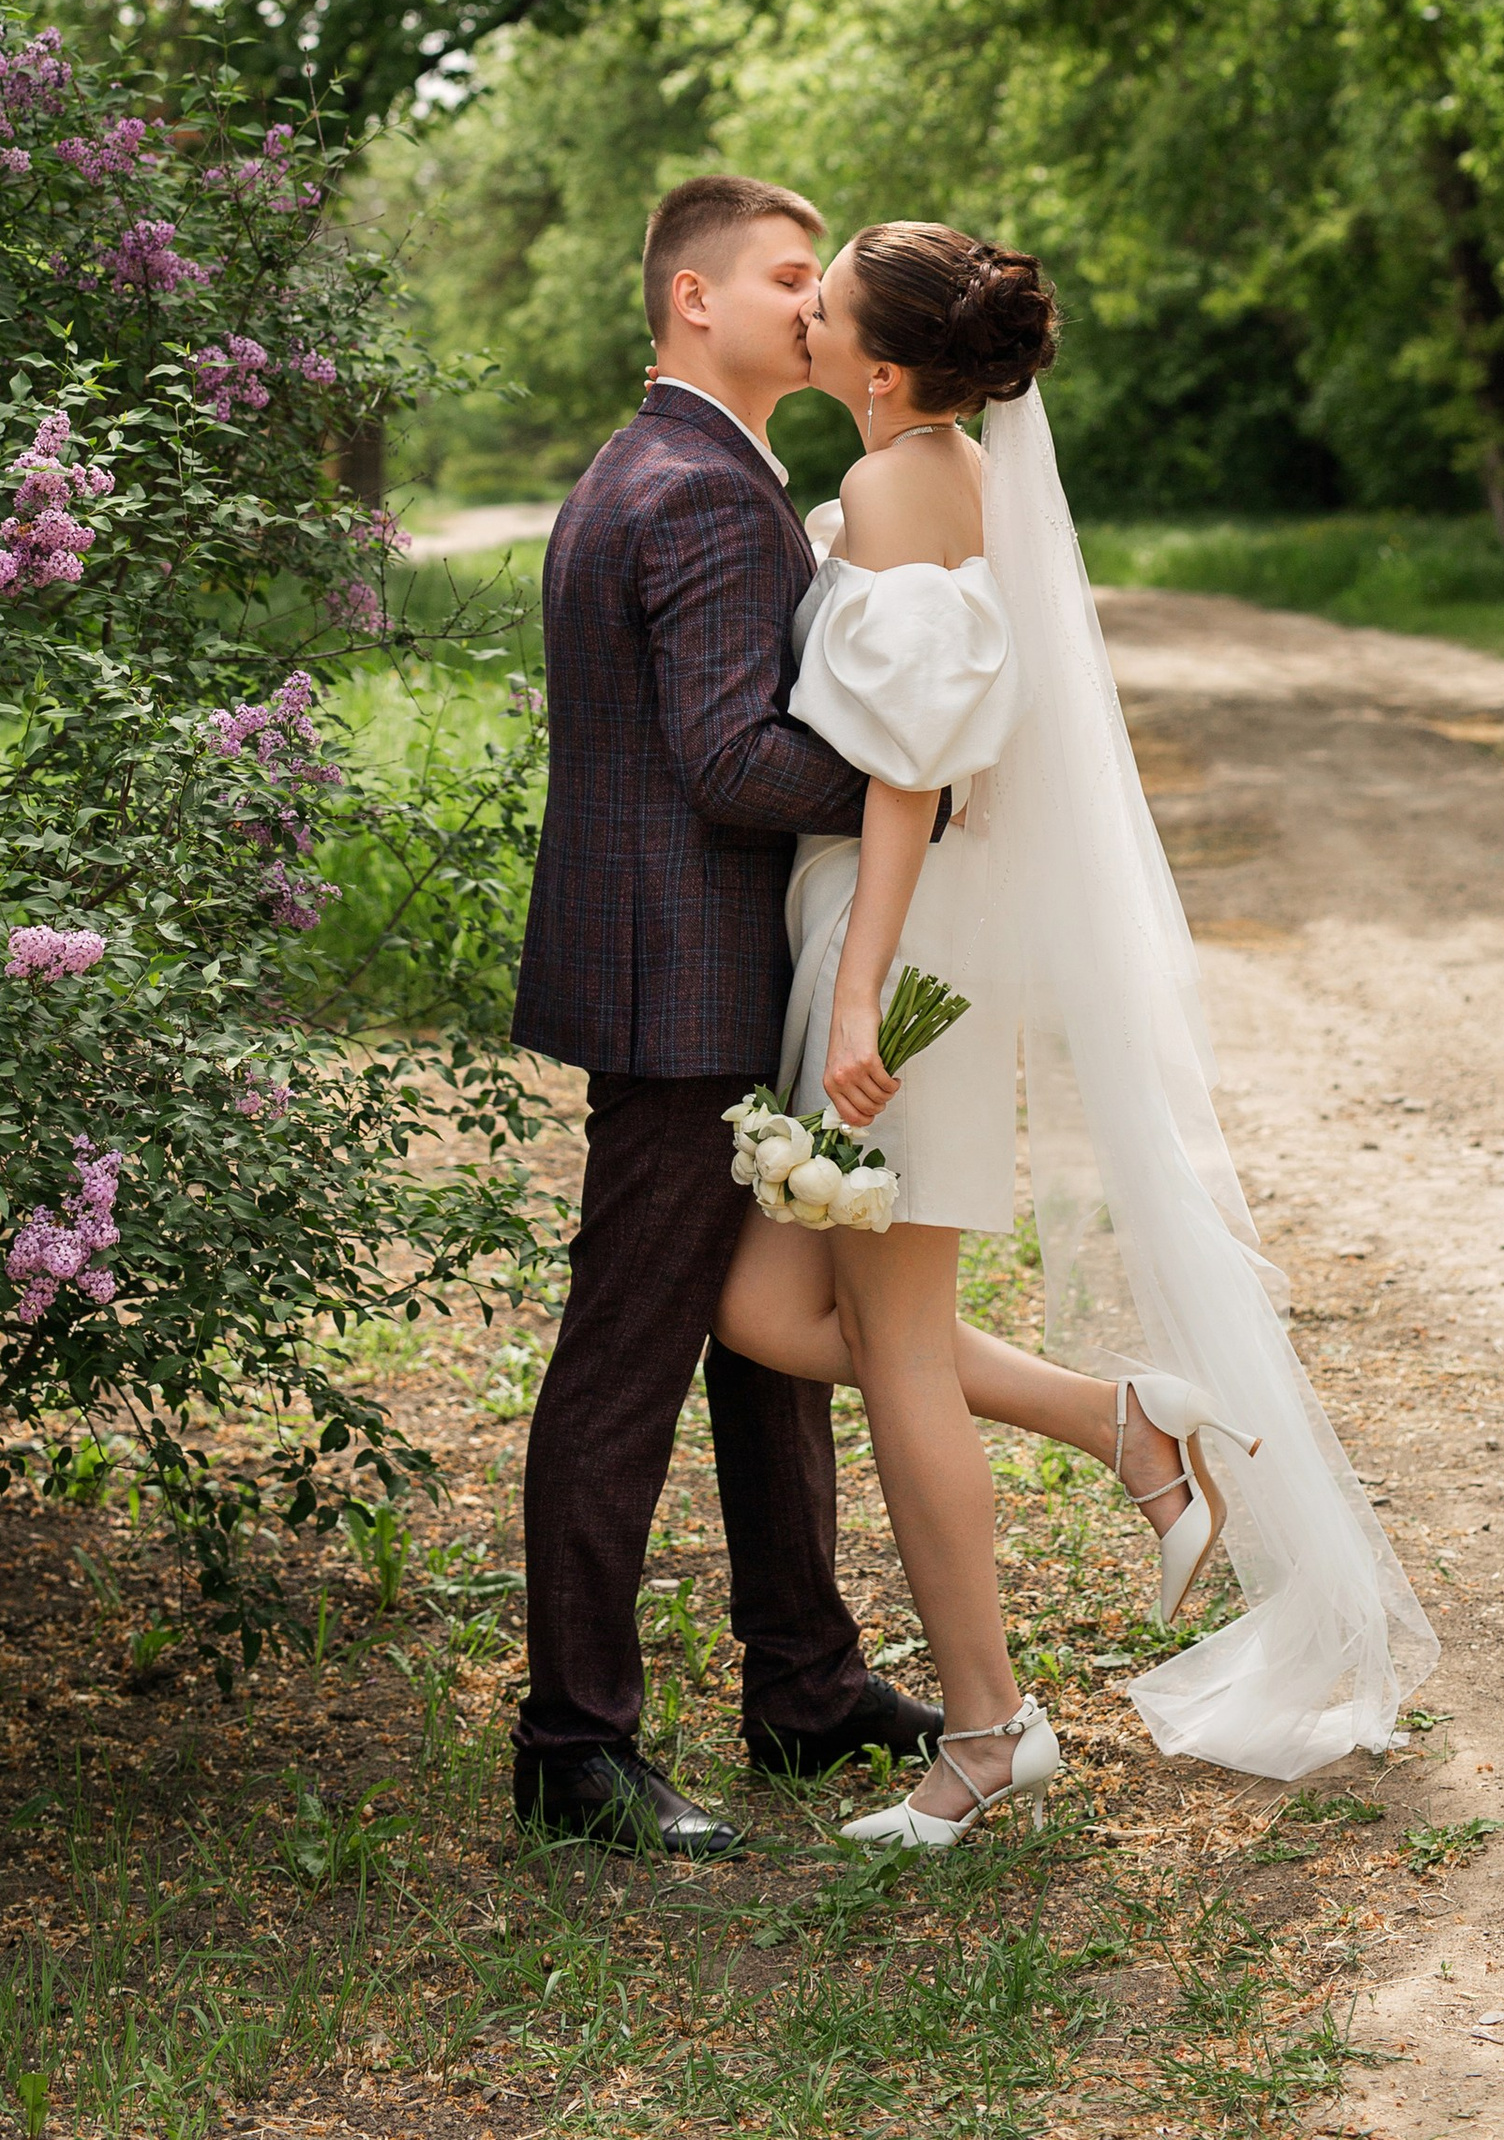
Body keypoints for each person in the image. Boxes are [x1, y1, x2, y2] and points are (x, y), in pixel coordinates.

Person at [713, 221, 1438, 1844]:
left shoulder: (897, 485)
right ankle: (1122, 1423)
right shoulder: (944, 473)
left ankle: (986, 1730)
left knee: (897, 1351)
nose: (806, 311)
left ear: (880, 365)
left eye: (826, 299)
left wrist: (858, 991)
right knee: (764, 1307)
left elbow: (910, 772)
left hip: (897, 937)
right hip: (894, 920)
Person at [509, 175, 947, 1857]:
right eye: (786, 277)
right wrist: (927, 788)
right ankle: (572, 1745)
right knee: (625, 1362)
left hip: (699, 971)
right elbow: (735, 763)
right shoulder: (697, 489)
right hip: (682, 990)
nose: (814, 304)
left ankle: (806, 1686)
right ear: (693, 299)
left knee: (766, 1352)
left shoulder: (678, 467)